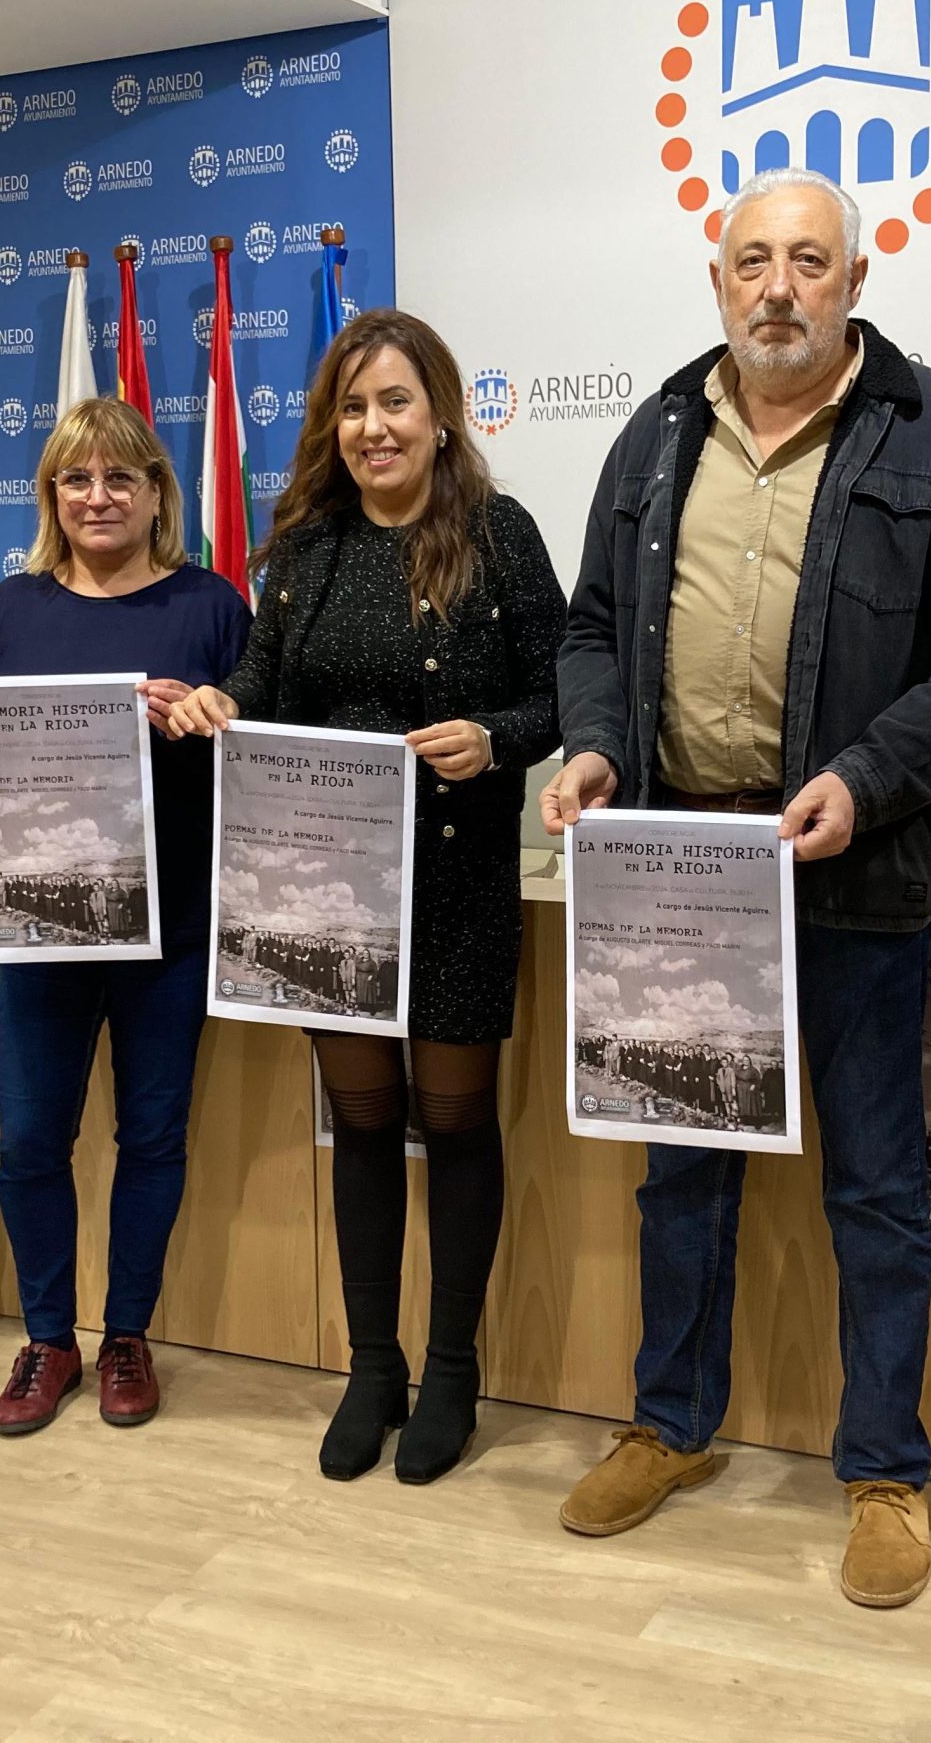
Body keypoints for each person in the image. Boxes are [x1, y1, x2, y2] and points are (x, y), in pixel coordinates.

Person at [540, 167, 931, 1607]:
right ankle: (671, 1427)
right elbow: (590, 627)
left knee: (877, 1188)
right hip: (679, 875)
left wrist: (873, 778)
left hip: (854, 871)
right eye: (752, 260)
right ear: (718, 281)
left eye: (808, 262)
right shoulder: (654, 432)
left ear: (856, 279)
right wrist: (589, 741)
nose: (778, 287)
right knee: (680, 1174)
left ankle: (886, 1469)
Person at [169, 309, 567, 1485]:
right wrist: (217, 704)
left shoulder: (498, 537)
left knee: (450, 1122)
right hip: (322, 882)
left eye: (394, 402)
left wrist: (491, 738)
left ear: (439, 416)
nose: (372, 428)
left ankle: (452, 1368)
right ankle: (372, 1366)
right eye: (351, 408)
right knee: (359, 1119)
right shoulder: (303, 548)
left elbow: (562, 693)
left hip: (453, 876)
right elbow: (258, 680)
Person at [0, 397, 250, 1434]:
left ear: (155, 494)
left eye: (120, 478)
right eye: (76, 480)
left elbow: (255, 753)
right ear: (51, 495)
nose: (98, 497)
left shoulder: (212, 604)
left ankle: (127, 1336)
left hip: (171, 927)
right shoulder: (8, 609)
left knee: (152, 1136)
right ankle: (48, 1339)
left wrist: (210, 718)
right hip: (40, 928)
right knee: (30, 1143)